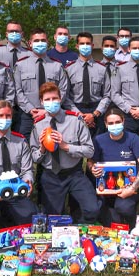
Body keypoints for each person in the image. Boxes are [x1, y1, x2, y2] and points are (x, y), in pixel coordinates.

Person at [30, 82, 98, 223]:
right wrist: (42, 148)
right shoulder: (38, 124)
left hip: (74, 173)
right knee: (53, 219)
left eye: (54, 98)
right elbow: (35, 158)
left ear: (60, 99)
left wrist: (65, 146)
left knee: (92, 209)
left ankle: (78, 229)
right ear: (41, 102)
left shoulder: (75, 120)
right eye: (47, 100)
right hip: (51, 176)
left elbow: (90, 151)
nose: (51, 102)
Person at [87, 108, 139, 227]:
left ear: (123, 121)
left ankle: (132, 223)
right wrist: (92, 168)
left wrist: (132, 188)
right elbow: (90, 161)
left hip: (128, 188)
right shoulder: (99, 140)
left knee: (123, 208)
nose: (114, 125)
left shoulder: (133, 139)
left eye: (117, 122)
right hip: (105, 189)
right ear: (105, 124)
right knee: (110, 221)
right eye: (111, 123)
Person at [14, 28, 72, 139]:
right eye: (36, 41)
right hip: (28, 115)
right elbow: (17, 90)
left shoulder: (57, 65)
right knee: (24, 147)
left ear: (48, 43)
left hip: (52, 114)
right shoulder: (20, 65)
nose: (40, 43)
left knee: (51, 145)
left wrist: (46, 111)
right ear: (30, 43)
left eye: (43, 40)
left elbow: (63, 90)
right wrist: (31, 109)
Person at [65, 32, 111, 136]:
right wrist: (79, 114)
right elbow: (65, 96)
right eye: (82, 43)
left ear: (92, 46)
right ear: (77, 46)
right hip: (76, 110)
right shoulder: (68, 69)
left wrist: (94, 114)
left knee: (99, 145)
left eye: (88, 43)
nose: (85, 46)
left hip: (97, 111)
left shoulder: (102, 68)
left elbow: (107, 94)